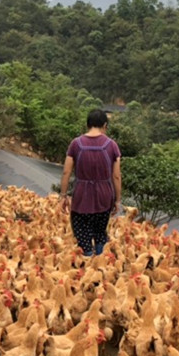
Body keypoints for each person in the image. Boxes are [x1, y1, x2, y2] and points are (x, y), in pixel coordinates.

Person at [59, 108, 122, 256]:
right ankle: (100, 263)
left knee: (83, 235)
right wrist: (117, 200)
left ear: (87, 124)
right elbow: (116, 176)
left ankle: (87, 260)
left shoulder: (76, 144)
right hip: (104, 196)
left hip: (82, 197)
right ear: (105, 125)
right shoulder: (112, 145)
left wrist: (63, 196)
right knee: (100, 233)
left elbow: (66, 172)